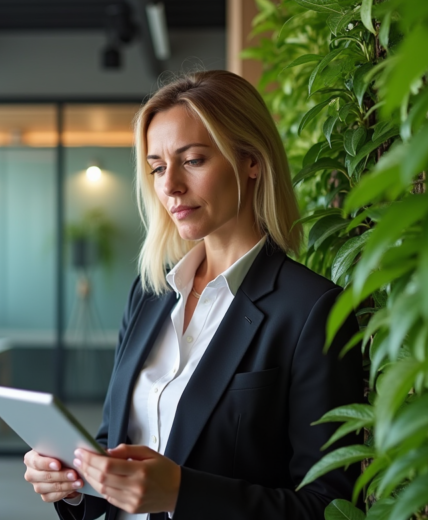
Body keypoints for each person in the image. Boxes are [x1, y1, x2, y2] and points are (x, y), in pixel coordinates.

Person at [23, 70, 362, 520]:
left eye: (193, 160)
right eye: (158, 168)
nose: (170, 186)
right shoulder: (149, 294)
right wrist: (73, 484)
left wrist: (182, 494)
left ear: (252, 160)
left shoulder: (311, 310)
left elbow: (330, 508)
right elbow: (116, 443)